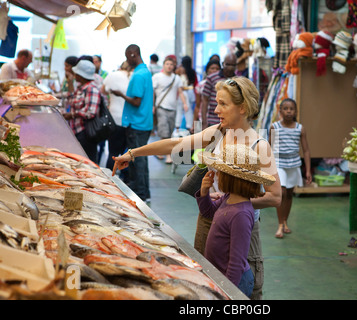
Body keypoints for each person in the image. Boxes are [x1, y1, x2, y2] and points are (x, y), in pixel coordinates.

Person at [112, 76, 282, 300]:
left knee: (239, 291)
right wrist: (133, 153)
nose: (217, 110)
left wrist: (238, 203)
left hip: (242, 227)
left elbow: (275, 196)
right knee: (204, 285)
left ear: (242, 107)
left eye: (223, 104)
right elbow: (175, 145)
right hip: (210, 217)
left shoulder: (259, 145)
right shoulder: (220, 132)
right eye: (217, 103)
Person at [195, 144, 276, 298]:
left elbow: (236, 263)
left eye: (221, 172)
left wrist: (227, 292)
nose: (217, 175)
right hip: (220, 275)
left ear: (231, 179)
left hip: (233, 282)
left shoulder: (241, 214)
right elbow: (208, 212)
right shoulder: (228, 198)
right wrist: (204, 192)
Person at [110, 44, 153, 202]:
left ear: (133, 54)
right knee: (142, 158)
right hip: (144, 122)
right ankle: (144, 192)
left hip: (136, 123)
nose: (126, 60)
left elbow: (136, 101)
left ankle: (139, 194)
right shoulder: (145, 72)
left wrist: (120, 94)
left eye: (127, 56)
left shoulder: (138, 75)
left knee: (136, 160)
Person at [269, 98, 312, 238]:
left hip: (294, 165)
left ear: (295, 112)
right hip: (279, 164)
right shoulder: (275, 127)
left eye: (291, 109)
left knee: (289, 194)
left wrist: (308, 170)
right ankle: (280, 225)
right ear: (280, 111)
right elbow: (269, 149)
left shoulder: (300, 128)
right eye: (285, 108)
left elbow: (305, 150)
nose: (288, 111)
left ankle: (285, 221)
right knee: (281, 192)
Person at [63, 60, 103, 163]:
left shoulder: (91, 89)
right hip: (78, 132)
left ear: (81, 75)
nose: (74, 74)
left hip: (86, 134)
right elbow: (72, 101)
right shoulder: (81, 88)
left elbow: (90, 112)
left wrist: (72, 115)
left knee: (88, 163)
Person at [152, 54, 188, 164]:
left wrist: (185, 103)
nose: (169, 66)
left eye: (171, 64)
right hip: (161, 107)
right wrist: (152, 106)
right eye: (167, 64)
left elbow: (180, 91)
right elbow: (152, 93)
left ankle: (160, 151)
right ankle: (168, 155)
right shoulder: (157, 77)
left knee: (168, 131)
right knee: (165, 132)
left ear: (174, 66)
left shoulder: (176, 78)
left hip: (173, 109)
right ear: (163, 65)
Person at [102, 61, 133, 177]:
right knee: (127, 153)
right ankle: (126, 178)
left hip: (114, 118)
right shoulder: (134, 77)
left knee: (113, 152)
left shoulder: (112, 75)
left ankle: (109, 177)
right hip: (130, 120)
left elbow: (103, 91)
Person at [201, 53, 237, 129]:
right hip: (213, 122)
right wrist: (204, 122)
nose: (230, 68)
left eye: (233, 65)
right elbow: (204, 101)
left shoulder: (238, 80)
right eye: (228, 64)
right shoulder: (211, 78)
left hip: (231, 123)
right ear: (223, 64)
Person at [194, 59, 221, 125]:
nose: (214, 70)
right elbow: (198, 105)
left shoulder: (222, 84)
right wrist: (195, 122)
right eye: (212, 68)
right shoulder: (200, 85)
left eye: (217, 69)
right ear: (207, 70)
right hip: (202, 119)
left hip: (218, 120)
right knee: (200, 135)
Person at [175, 56, 198, 133]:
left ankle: (178, 127)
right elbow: (195, 83)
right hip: (190, 91)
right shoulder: (192, 71)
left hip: (181, 92)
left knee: (180, 110)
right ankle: (189, 127)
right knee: (189, 110)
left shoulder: (178, 71)